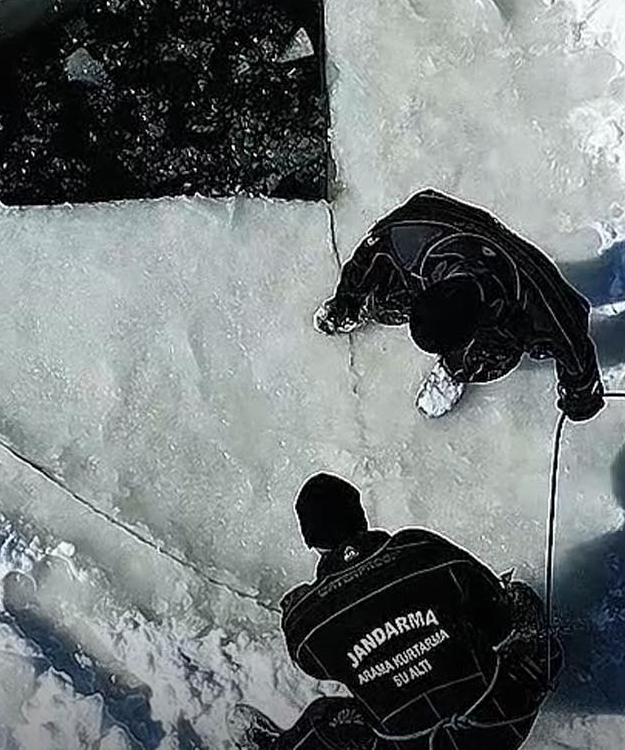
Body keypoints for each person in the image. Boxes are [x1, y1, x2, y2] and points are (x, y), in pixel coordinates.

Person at [235, 473, 561, 750]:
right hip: (498, 723)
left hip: (410, 745)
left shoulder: (309, 618)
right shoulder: (418, 547)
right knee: (527, 618)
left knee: (327, 717)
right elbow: (496, 619)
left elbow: (312, 663)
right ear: (361, 517)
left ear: (313, 543)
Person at [320, 189, 606, 422]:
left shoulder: (542, 306)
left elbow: (576, 348)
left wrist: (580, 397)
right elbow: (366, 258)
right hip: (442, 225)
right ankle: (362, 310)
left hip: (513, 275)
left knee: (493, 356)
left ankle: (456, 370)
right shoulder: (404, 237)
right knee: (384, 295)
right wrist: (345, 303)